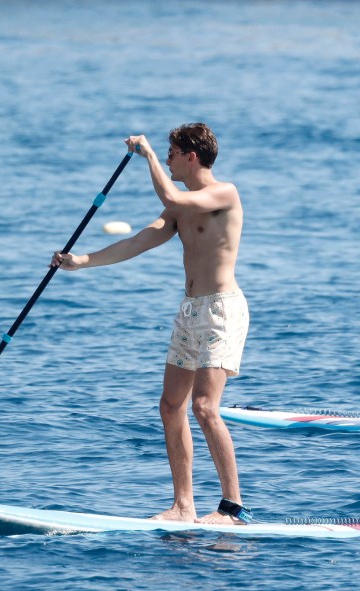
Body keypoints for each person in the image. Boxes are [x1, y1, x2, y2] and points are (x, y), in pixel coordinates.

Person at [51, 123, 252, 525]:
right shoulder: (180, 207)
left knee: (205, 407)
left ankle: (233, 508)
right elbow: (138, 241)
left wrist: (144, 155)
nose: (167, 160)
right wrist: (82, 261)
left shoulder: (223, 194)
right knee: (170, 405)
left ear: (190, 157)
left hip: (221, 311)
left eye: (171, 154)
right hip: (190, 311)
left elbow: (171, 193)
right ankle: (184, 505)